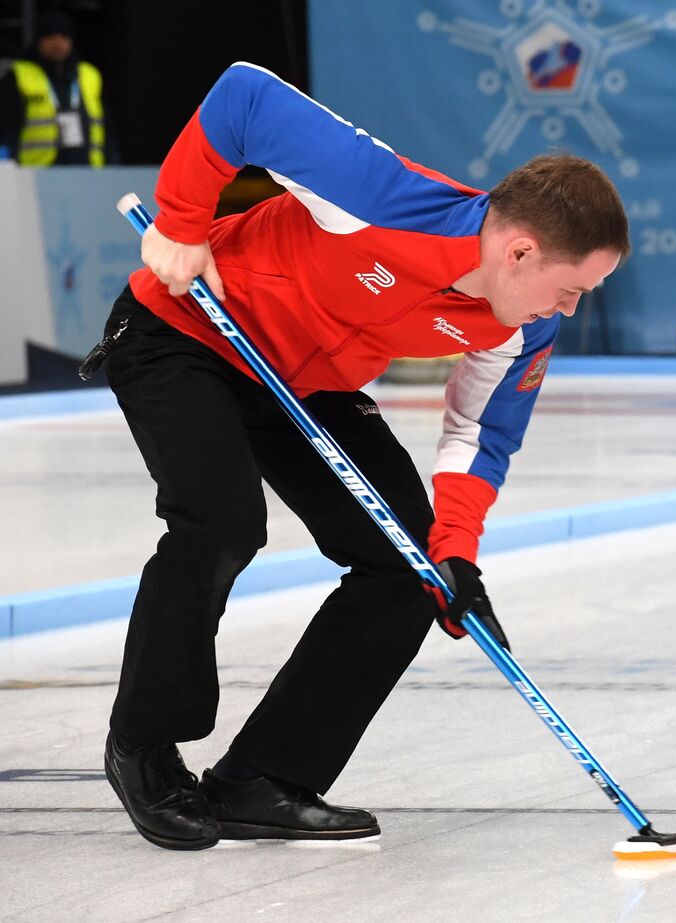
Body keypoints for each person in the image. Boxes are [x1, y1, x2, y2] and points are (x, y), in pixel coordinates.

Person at [93, 61, 628, 850]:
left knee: (407, 566)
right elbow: (243, 96)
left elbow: (481, 437)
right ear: (517, 253)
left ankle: (262, 777)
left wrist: (455, 555)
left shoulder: (523, 325)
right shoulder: (383, 198)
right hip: (188, 333)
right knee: (221, 521)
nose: (572, 309)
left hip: (303, 381)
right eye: (572, 287)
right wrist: (179, 223)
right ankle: (143, 744)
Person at [0, 11, 107, 165]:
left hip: (87, 172)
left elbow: (106, 129)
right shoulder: (19, 75)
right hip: (35, 174)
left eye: (64, 37)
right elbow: (7, 129)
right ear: (39, 40)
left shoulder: (89, 74)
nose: (58, 43)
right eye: (51, 37)